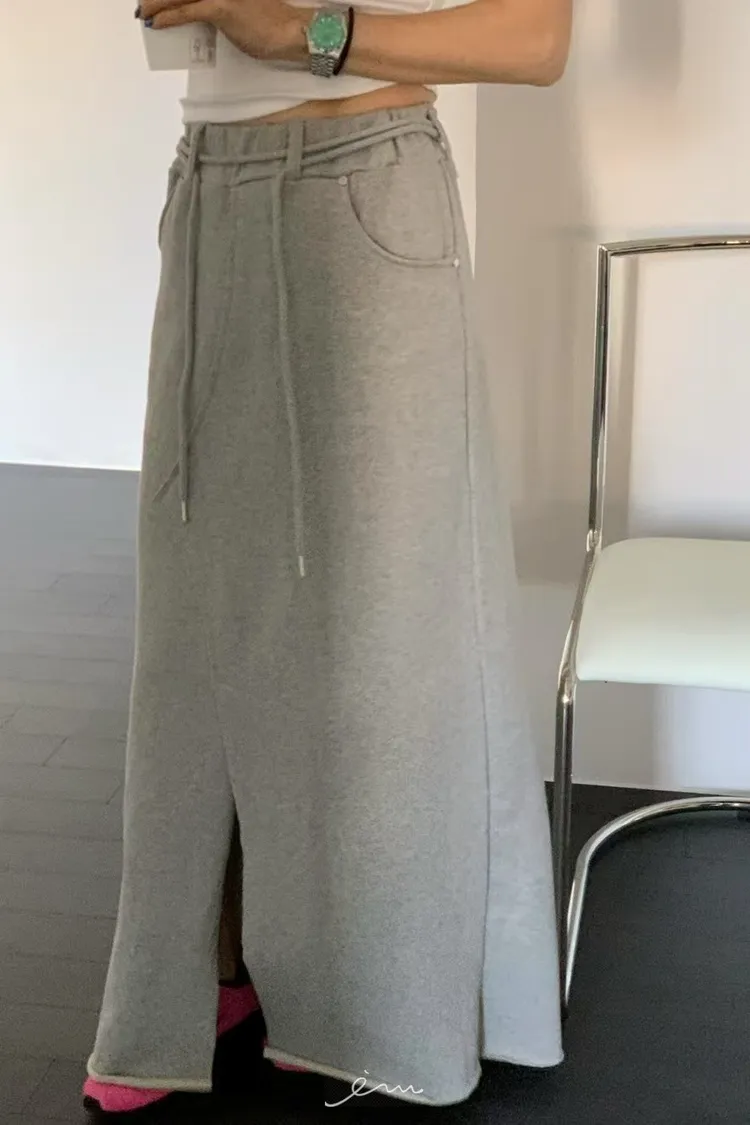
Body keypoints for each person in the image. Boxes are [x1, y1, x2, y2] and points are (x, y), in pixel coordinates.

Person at [84, 0, 573, 1114]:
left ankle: (364, 999)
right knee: (195, 628)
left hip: (368, 177)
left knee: (377, 629)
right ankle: (195, 978)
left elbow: (538, 41)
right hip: (207, 183)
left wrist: (308, 31)